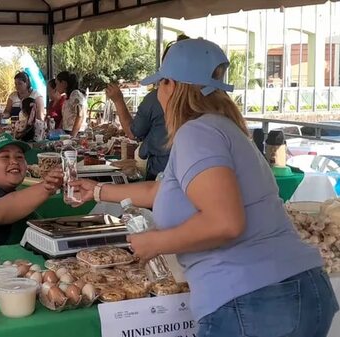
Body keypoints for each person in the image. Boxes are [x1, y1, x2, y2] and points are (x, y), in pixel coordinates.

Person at [71, 38, 337, 336]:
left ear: (171, 85)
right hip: (292, 290)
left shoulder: (196, 134)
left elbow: (224, 223)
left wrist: (154, 242)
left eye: (159, 84)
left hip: (254, 300)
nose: (157, 92)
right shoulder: (218, 129)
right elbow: (160, 192)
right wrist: (96, 191)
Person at [106, 35, 190, 180]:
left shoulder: (154, 99)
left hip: (161, 173)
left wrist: (118, 100)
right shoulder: (216, 107)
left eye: (164, 81)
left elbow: (133, 133)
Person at [56, 71, 87, 137]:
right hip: (68, 131)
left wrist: (73, 135)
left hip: (75, 133)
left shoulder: (75, 94)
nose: (56, 87)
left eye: (57, 84)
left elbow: (80, 114)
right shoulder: (69, 97)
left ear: (64, 83)